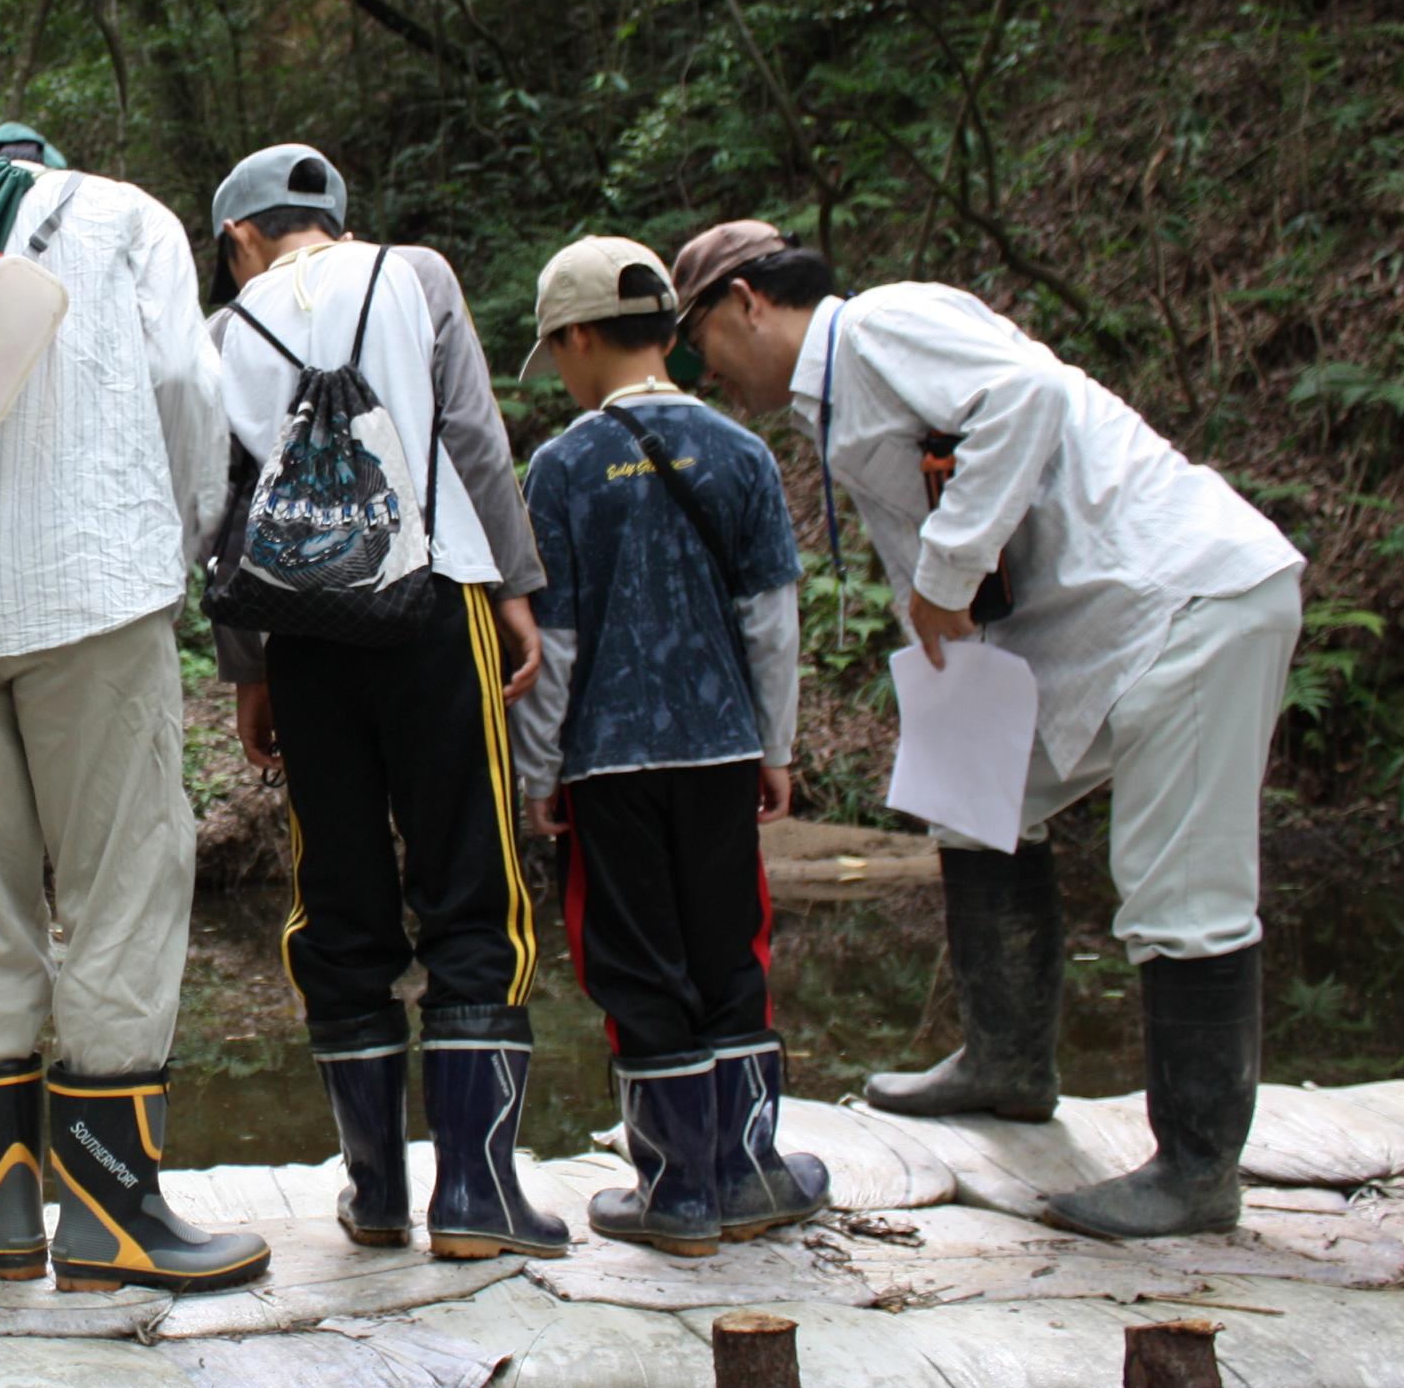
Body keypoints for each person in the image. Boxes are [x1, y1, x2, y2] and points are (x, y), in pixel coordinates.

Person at [676, 221, 1303, 1239]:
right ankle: (1009, 1063)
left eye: (699, 338)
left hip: (1184, 601)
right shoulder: (835, 392)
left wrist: (946, 574)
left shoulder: (878, 325)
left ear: (745, 299)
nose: (703, 371)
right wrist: (944, 611)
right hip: (1095, 628)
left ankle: (1197, 1167)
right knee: (973, 799)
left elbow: (1028, 396)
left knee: (1178, 888)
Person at [0, 120, 266, 1295]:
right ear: (46, 160)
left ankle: (1, 1209)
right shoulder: (121, 214)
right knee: (122, 878)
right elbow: (186, 382)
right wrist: (176, 535)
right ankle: (110, 1209)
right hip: (95, 586)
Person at [204, 146, 558, 1261]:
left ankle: (373, 1194)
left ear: (238, 239)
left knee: (340, 892)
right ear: (336, 220)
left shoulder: (225, 330)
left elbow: (224, 508)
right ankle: (477, 1194)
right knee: (470, 874)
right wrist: (512, 584)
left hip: (306, 633)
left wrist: (248, 664)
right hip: (435, 597)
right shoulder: (417, 275)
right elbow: (472, 437)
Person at [513, 237, 824, 1257]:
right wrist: (772, 745)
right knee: (732, 947)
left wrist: (538, 768)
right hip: (722, 748)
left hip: (607, 762)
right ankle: (748, 1169)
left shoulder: (559, 469)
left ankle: (676, 1190)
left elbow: (550, 645)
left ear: (582, 335)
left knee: (636, 960)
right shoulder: (743, 454)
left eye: (555, 349)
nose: (556, 370)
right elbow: (769, 618)